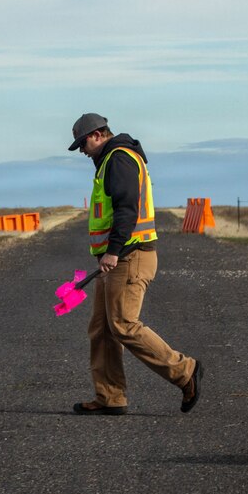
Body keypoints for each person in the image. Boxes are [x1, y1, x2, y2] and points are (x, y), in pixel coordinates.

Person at [67, 113, 201, 415]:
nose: (83, 151)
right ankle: (109, 396)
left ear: (99, 134)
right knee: (101, 328)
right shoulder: (109, 162)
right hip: (115, 259)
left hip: (130, 255)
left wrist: (113, 250)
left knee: (123, 325)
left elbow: (127, 207)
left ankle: (185, 371)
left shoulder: (120, 159)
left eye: (83, 143)